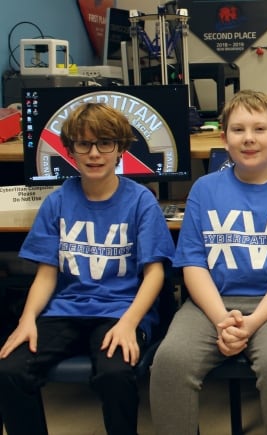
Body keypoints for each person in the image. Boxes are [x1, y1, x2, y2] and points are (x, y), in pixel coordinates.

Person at [149, 89, 267, 434]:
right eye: (238, 130)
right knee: (170, 362)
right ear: (223, 139)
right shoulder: (204, 190)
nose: (249, 139)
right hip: (212, 304)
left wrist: (251, 324)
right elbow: (193, 264)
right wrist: (222, 318)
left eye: (260, 129)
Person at [0, 102, 175, 435]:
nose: (95, 153)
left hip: (119, 310)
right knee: (10, 369)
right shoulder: (57, 202)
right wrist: (26, 320)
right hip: (66, 310)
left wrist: (130, 323)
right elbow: (46, 274)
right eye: (84, 144)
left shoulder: (141, 202)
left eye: (105, 143)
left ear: (121, 148)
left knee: (115, 374)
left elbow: (155, 274)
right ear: (71, 151)